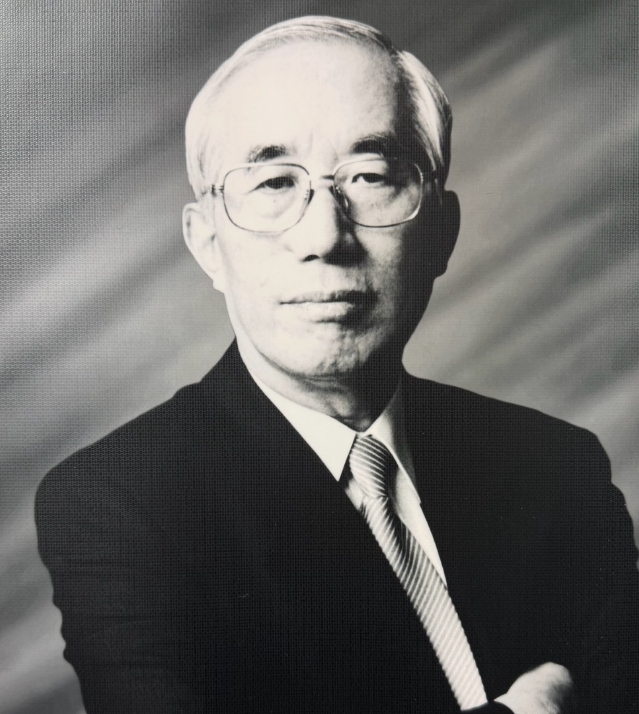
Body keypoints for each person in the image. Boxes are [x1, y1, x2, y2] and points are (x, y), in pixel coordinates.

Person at [35, 16, 639, 714]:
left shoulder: (556, 466)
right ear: (207, 244)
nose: (324, 236)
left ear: (441, 233)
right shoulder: (122, 503)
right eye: (272, 184)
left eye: (371, 176)